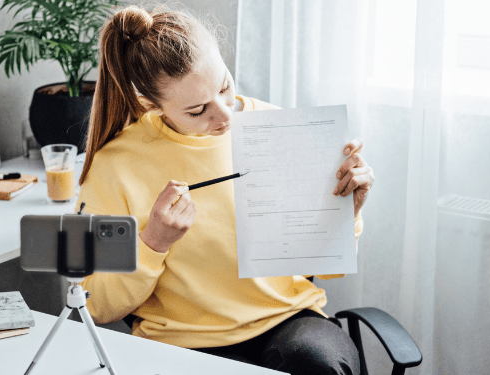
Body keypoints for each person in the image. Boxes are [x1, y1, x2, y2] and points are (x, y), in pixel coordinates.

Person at [76, 5, 375, 375]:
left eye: (225, 87)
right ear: (152, 105)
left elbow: (325, 269)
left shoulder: (276, 127)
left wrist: (349, 213)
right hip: (183, 341)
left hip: (287, 320)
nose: (224, 117)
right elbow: (98, 306)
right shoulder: (115, 167)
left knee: (316, 364)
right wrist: (154, 241)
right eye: (198, 110)